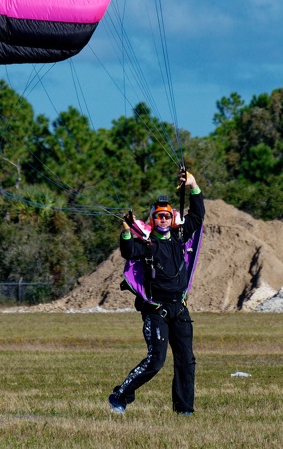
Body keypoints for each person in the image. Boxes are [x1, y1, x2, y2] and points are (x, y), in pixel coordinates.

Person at [108, 169, 205, 416]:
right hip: (156, 311)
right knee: (156, 361)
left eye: (166, 216)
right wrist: (127, 232)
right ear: (153, 219)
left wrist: (193, 186)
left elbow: (197, 215)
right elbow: (129, 252)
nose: (162, 220)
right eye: (158, 216)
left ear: (172, 218)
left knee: (186, 360)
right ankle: (121, 394)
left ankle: (184, 409)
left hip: (179, 308)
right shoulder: (147, 244)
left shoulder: (180, 237)